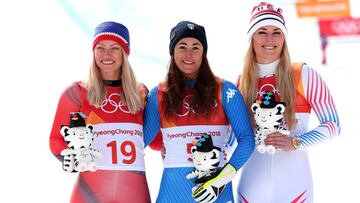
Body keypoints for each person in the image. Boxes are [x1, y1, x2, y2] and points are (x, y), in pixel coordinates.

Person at [236, 2, 341, 203]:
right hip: (251, 186)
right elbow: (231, 137)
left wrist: (296, 142)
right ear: (251, 37)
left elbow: (333, 125)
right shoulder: (242, 82)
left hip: (295, 186)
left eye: (277, 32)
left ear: (284, 37)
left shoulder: (303, 74)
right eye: (262, 32)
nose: (270, 39)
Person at [143, 20, 255, 203]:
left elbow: (247, 139)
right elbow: (138, 141)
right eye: (182, 47)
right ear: (172, 51)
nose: (189, 54)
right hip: (172, 195)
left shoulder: (225, 90)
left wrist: (221, 179)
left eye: (196, 47)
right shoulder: (159, 95)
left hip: (216, 194)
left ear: (204, 52)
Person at [49, 21, 151, 203]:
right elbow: (56, 139)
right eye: (100, 48)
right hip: (90, 192)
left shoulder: (140, 92)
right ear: (93, 52)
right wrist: (69, 156)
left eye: (114, 48)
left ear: (125, 53)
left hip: (133, 192)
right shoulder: (77, 92)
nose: (107, 54)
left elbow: (157, 142)